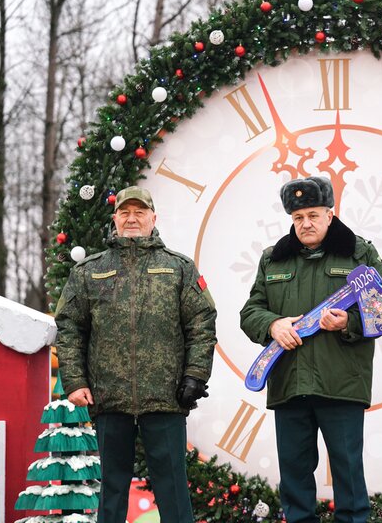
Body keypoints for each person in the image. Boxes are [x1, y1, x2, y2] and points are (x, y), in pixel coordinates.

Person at [55, 186, 217, 523]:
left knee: (172, 487)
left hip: (165, 397)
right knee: (112, 488)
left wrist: (195, 376)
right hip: (109, 397)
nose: (132, 218)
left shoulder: (178, 268)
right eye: (125, 213)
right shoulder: (89, 271)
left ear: (153, 218)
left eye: (139, 212)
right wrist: (74, 381)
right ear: (115, 219)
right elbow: (70, 327)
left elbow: (202, 323)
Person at [240, 176, 382, 523]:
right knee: (294, 482)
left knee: (349, 477)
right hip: (289, 386)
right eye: (298, 218)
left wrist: (348, 324)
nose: (305, 224)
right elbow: (250, 313)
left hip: (341, 383)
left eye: (313, 215)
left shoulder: (359, 253)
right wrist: (273, 325)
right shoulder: (272, 259)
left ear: (330, 214)